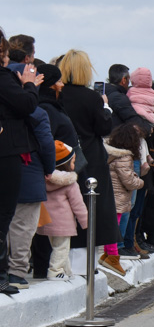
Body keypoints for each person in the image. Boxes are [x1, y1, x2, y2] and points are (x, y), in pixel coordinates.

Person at [58, 50, 122, 273]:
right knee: (93, 208)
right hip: (91, 158)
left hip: (62, 156)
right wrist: (105, 106)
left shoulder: (58, 94)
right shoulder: (91, 97)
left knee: (65, 208)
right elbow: (104, 128)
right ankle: (88, 266)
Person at [0, 46, 40, 294]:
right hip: (5, 151)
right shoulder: (4, 77)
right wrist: (29, 84)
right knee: (4, 214)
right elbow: (26, 104)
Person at [38, 141, 88, 281]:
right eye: (72, 162)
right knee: (61, 248)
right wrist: (87, 222)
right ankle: (55, 271)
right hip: (64, 223)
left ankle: (66, 270)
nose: (74, 166)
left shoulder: (43, 180)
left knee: (57, 246)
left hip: (47, 221)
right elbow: (78, 205)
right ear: (65, 164)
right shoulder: (70, 182)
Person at [105, 124, 147, 263]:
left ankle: (108, 253)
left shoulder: (111, 154)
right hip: (120, 197)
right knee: (115, 228)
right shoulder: (124, 157)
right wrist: (140, 182)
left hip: (111, 195)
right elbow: (129, 181)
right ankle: (112, 256)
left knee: (110, 226)